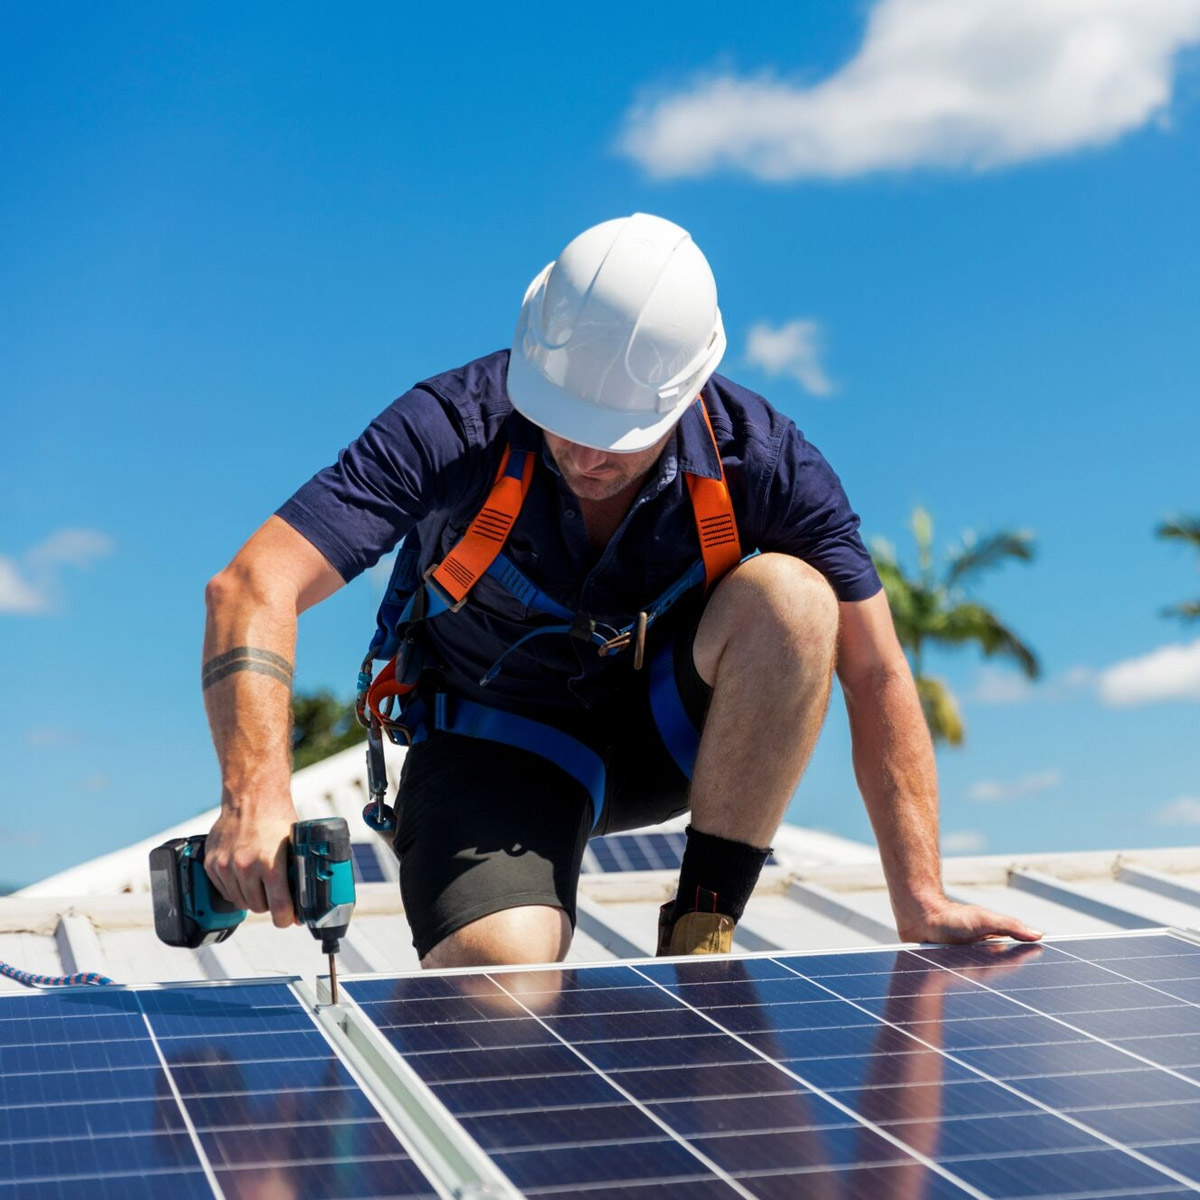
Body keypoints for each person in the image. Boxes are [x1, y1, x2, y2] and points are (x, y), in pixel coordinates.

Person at [201, 213, 1041, 966]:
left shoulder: (767, 461)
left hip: (668, 740)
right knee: (503, 982)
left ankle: (701, 930)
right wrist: (256, 795)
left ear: (685, 394)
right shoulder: (452, 423)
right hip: (496, 742)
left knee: (795, 600)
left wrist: (921, 896)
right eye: (564, 419)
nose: (585, 453)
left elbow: (877, 672)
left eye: (618, 437)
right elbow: (251, 584)